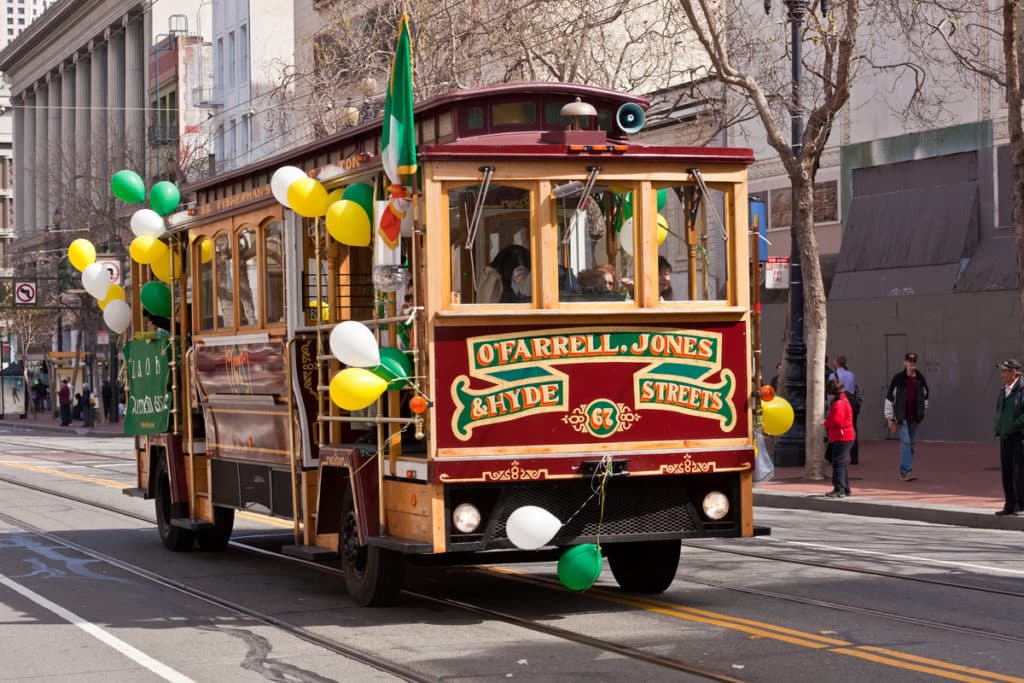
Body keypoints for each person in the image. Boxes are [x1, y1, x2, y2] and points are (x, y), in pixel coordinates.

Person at [884, 352, 929, 481]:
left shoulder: (920, 379)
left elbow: (926, 397)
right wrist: (890, 418)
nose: (912, 363)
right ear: (905, 363)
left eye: (914, 361)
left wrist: (922, 412)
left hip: (915, 418)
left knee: (911, 445)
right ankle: (908, 471)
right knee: (906, 443)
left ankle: (904, 471)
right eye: (909, 361)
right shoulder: (898, 379)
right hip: (902, 417)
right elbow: (889, 399)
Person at [993, 359, 1024, 516]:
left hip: (1019, 437)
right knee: (1007, 472)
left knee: (1019, 473)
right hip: (1004, 437)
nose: (1002, 374)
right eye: (1002, 371)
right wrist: (998, 426)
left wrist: (1012, 425)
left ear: (1014, 372)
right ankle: (1009, 505)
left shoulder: (1022, 389)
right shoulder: (1003, 389)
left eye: (1005, 371)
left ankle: (1021, 505)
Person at [823, 379, 855, 498]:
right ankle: (845, 488)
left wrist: (826, 422)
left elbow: (837, 421)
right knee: (841, 463)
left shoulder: (838, 403)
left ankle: (839, 488)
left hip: (842, 436)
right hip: (846, 435)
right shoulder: (843, 400)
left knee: (837, 463)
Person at [829, 355, 861, 464]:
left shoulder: (833, 375)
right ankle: (854, 457)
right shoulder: (851, 375)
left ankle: (836, 454)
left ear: (836, 362)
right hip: (850, 402)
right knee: (852, 428)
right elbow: (853, 389)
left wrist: (829, 404)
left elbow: (831, 392)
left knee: (836, 427)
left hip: (839, 401)